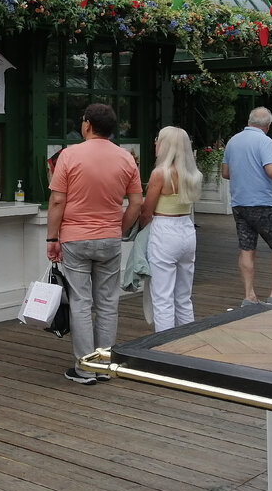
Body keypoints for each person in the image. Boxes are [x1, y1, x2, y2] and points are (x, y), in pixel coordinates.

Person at [46, 103, 143, 385]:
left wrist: (52, 238)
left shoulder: (69, 155)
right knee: (108, 302)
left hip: (75, 238)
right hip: (110, 238)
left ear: (87, 124)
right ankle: (104, 364)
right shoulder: (126, 158)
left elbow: (57, 200)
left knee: (80, 302)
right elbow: (136, 202)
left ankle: (85, 368)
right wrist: (119, 229)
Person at [220, 107, 272, 306]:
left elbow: (225, 173)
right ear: (268, 126)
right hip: (263, 203)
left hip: (239, 204)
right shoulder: (265, 141)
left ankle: (249, 295)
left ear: (249, 121)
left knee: (247, 249)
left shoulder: (233, 140)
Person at [138, 126, 205, 332]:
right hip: (186, 228)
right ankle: (187, 342)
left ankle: (164, 348)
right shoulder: (193, 174)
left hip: (164, 229)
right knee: (184, 296)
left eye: (158, 139)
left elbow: (147, 211)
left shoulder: (160, 173)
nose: (155, 143)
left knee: (162, 296)